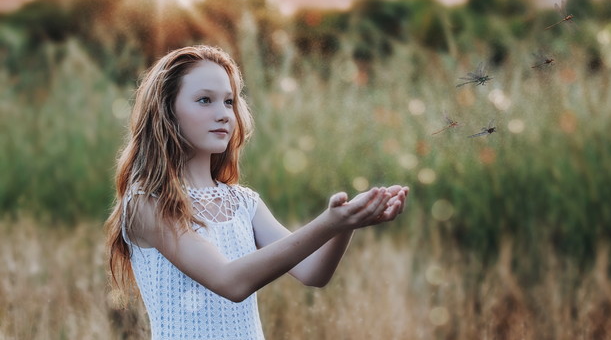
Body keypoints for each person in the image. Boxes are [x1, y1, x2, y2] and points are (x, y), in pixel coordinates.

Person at [104, 45, 409, 339]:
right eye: (204, 100)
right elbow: (230, 282)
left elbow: (313, 272)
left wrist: (347, 224)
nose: (223, 113)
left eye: (228, 101)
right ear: (166, 110)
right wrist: (330, 223)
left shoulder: (243, 203)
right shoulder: (147, 203)